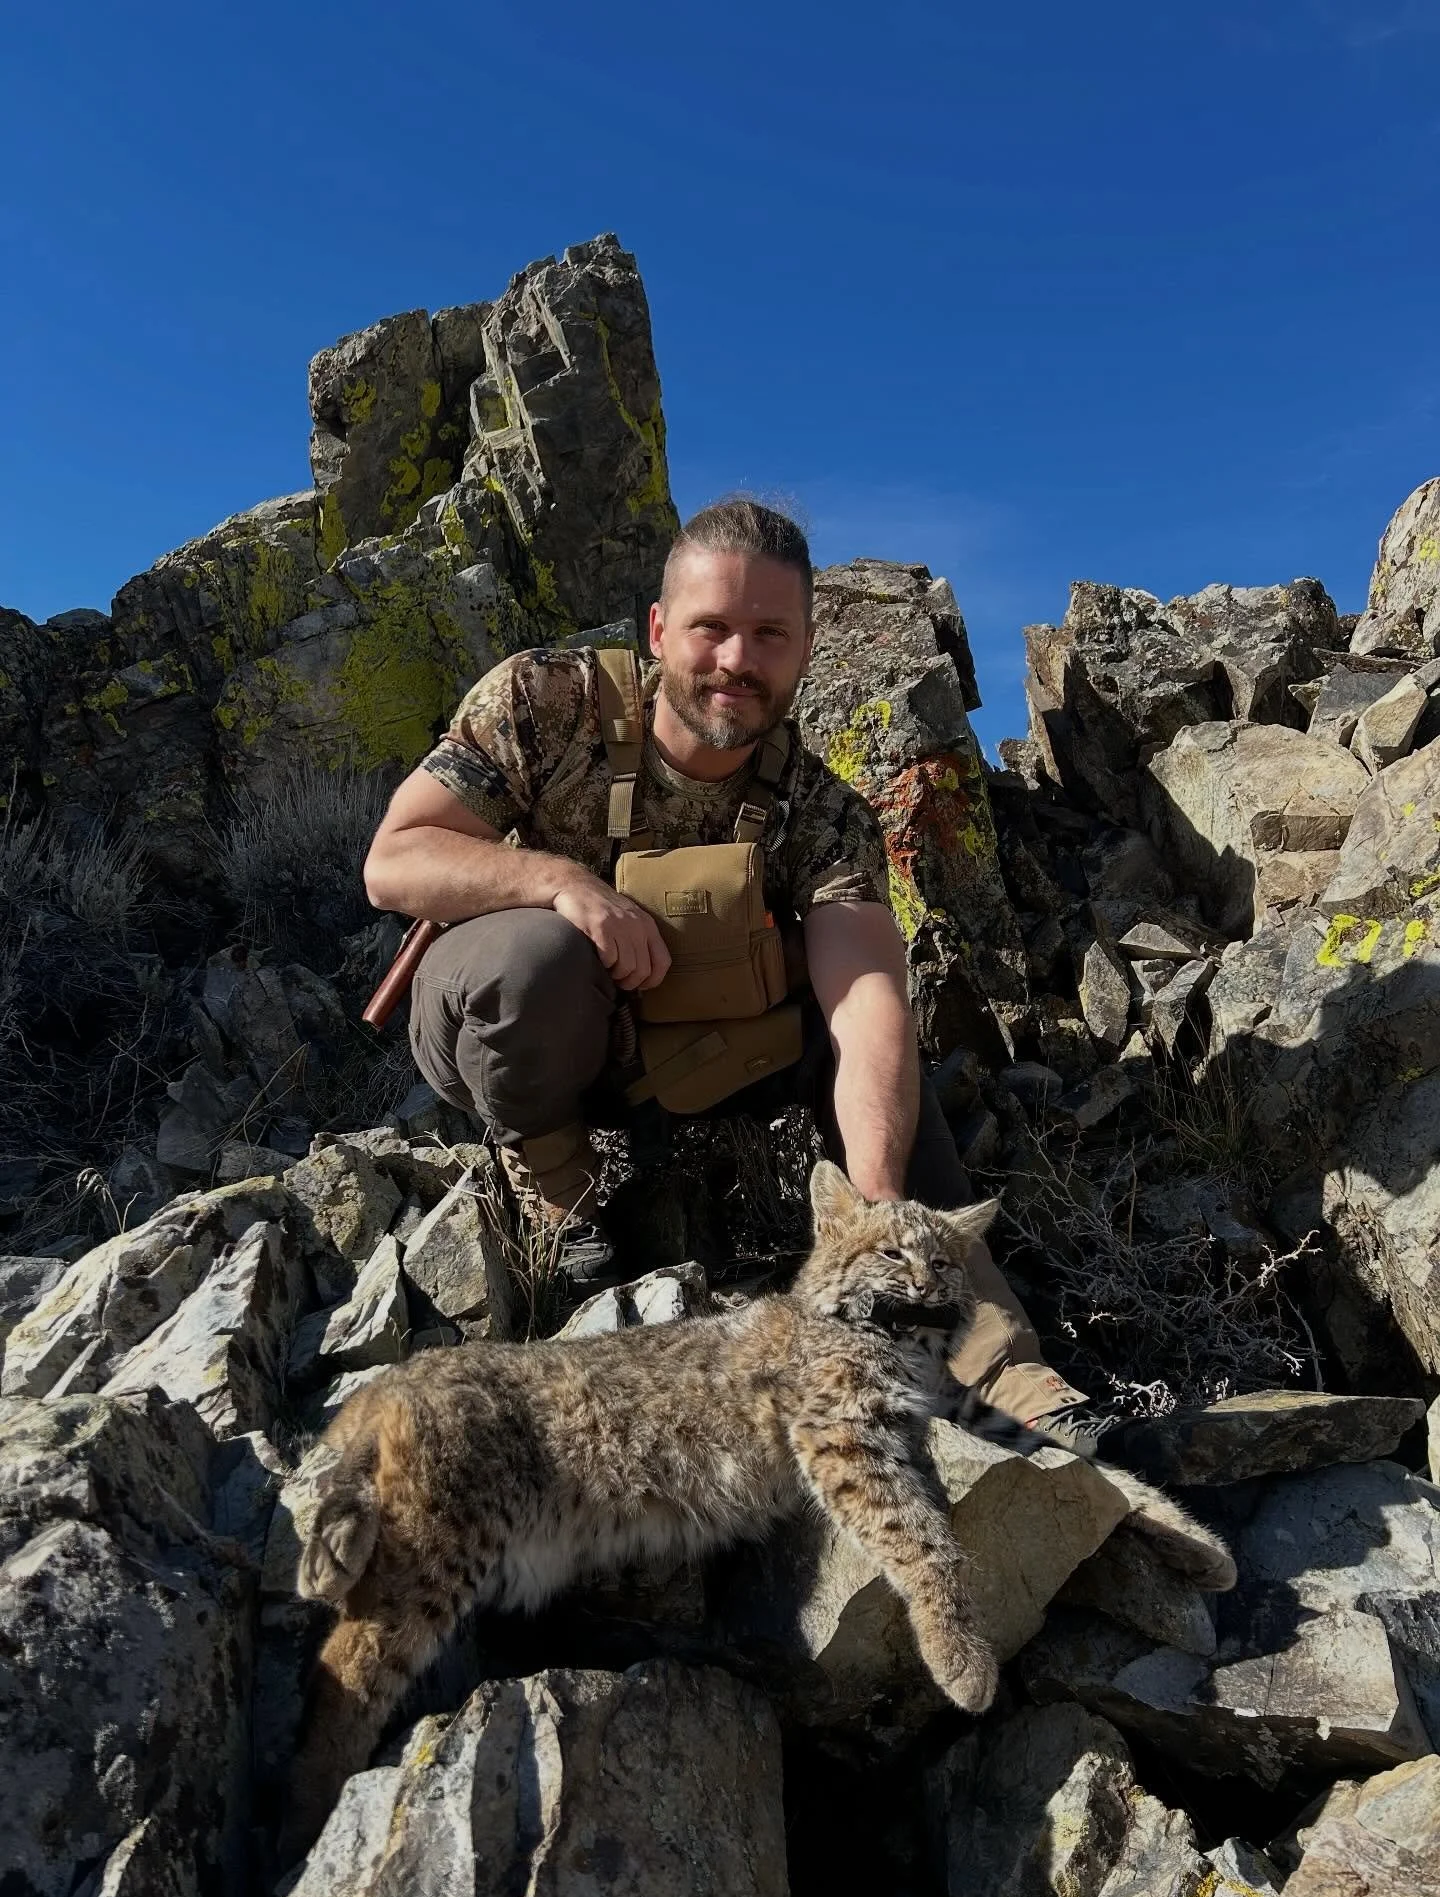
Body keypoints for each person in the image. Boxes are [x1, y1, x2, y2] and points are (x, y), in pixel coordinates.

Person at [362, 499, 1110, 1449]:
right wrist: (561, 885)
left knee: (871, 1048)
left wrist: (877, 1214)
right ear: (658, 629)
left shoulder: (821, 811)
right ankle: (558, 1187)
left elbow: (866, 998)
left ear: (805, 651)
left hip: (688, 1060)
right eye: (710, 627)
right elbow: (394, 860)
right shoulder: (543, 702)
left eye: (770, 635)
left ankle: (1000, 1367)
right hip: (506, 1028)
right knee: (533, 957)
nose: (736, 661)